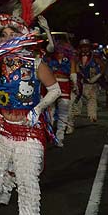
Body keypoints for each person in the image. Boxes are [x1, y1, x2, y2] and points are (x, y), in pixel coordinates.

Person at [0, 6, 61, 215]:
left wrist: (39, 108)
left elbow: (54, 90)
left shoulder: (35, 62)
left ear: (22, 35)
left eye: (12, 32)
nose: (7, 37)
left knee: (27, 181)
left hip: (28, 129)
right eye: (3, 34)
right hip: (0, 126)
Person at [40, 18, 77, 146]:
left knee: (63, 111)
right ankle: (49, 135)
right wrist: (47, 30)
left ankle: (60, 136)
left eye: (63, 49)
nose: (60, 51)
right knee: (50, 111)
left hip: (65, 85)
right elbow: (50, 46)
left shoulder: (70, 59)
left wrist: (76, 84)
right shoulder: (50, 56)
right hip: (52, 85)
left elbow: (73, 72)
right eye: (59, 49)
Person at [71, 39, 104, 125]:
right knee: (76, 99)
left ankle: (92, 115)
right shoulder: (76, 57)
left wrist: (97, 77)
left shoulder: (95, 57)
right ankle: (73, 116)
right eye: (83, 47)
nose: (85, 49)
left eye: (86, 47)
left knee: (92, 98)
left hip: (92, 83)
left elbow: (103, 68)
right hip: (80, 82)